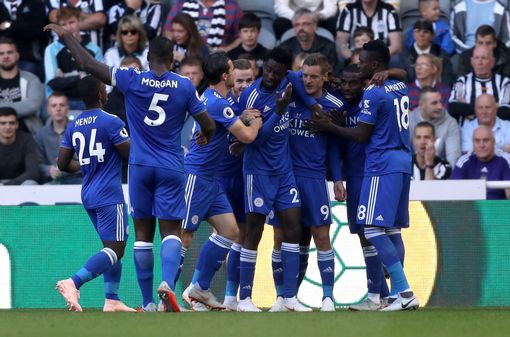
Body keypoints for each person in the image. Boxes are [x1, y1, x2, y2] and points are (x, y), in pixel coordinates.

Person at [43, 22, 216, 313]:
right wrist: (205, 133)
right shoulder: (185, 85)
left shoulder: (131, 78)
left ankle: (147, 302)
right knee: (172, 231)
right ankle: (167, 286)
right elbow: (208, 124)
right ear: (173, 58)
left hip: (139, 166)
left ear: (148, 58)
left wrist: (65, 35)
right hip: (171, 166)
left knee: (142, 236)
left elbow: (86, 62)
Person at [306, 40, 419, 311]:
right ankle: (391, 296)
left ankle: (403, 291)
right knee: (390, 229)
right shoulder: (398, 86)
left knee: (372, 229)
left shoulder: (373, 93)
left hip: (382, 163)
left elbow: (361, 135)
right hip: (403, 160)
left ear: (375, 65)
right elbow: (405, 74)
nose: (359, 64)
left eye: (363, 61)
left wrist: (329, 126)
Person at [177, 52, 262, 310]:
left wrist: (242, 115)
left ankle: (200, 288)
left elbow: (230, 119)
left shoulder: (216, 99)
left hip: (212, 179)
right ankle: (167, 290)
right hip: (196, 175)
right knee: (184, 235)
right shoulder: (217, 103)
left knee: (230, 231)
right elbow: (247, 136)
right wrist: (255, 122)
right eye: (233, 67)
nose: (236, 70)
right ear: (226, 76)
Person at [236, 48, 316, 312]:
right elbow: (255, 139)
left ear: (284, 73)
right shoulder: (251, 95)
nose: (271, 76)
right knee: (254, 232)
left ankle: (288, 298)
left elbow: (305, 85)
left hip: (284, 172)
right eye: (267, 70)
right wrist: (279, 112)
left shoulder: (290, 84)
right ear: (262, 67)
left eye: (276, 72)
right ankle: (245, 298)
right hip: (258, 172)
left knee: (293, 228)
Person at [269, 53, 344, 312]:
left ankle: (327, 298)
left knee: (321, 236)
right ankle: (283, 297)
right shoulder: (289, 94)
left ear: (326, 77)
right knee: (280, 237)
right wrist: (304, 93)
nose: (308, 80)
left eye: (314, 76)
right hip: (285, 176)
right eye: (305, 75)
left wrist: (336, 179)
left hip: (313, 178)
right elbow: (284, 72)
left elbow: (334, 144)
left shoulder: (333, 104)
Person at [55, 76, 134, 312]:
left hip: (88, 193)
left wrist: (87, 162)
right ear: (101, 94)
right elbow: (129, 155)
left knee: (109, 247)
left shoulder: (74, 124)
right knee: (116, 248)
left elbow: (62, 164)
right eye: (104, 88)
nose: (107, 91)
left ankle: (112, 299)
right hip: (109, 193)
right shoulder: (111, 121)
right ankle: (73, 282)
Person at [219, 58, 256, 310]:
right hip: (221, 178)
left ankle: (233, 297)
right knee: (223, 237)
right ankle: (194, 290)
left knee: (242, 238)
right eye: (240, 80)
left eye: (249, 80)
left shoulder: (258, 106)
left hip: (247, 178)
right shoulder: (224, 105)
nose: (243, 85)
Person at [44, 7, 103, 111]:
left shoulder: (94, 49)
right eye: (64, 24)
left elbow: (100, 80)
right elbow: (53, 83)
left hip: (89, 101)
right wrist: (82, 77)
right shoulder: (51, 49)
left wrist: (65, 78)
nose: (69, 28)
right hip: (62, 102)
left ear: (79, 22)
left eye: (72, 22)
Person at [449, 45, 510, 122]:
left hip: (497, 132)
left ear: (492, 62)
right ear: (472, 61)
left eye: (484, 58)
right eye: (476, 58)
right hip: (468, 132)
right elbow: (453, 108)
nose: (479, 62)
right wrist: (493, 107)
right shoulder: (461, 81)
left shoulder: (504, 82)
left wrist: (467, 108)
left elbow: (506, 112)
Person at [35, 92, 82, 184]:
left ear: (67, 108)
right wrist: (49, 170)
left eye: (62, 105)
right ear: (48, 110)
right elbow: (37, 163)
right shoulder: (41, 134)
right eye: (54, 106)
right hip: (52, 180)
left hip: (78, 178)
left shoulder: (79, 130)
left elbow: (87, 159)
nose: (58, 109)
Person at [452, 126, 510, 200]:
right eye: (477, 141)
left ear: (494, 142)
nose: (481, 145)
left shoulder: (506, 160)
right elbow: (453, 194)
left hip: (500, 209)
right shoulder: (464, 161)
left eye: (485, 140)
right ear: (473, 144)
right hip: (472, 209)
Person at [0, 37, 43, 134]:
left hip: (28, 132)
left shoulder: (32, 79)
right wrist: (21, 108)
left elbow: (32, 105)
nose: (6, 56)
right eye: (1, 53)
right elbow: (26, 106)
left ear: (17, 55)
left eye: (9, 52)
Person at [409, 86, 461, 168]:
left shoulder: (451, 123)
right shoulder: (408, 121)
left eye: (441, 102)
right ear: (421, 105)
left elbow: (453, 159)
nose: (440, 107)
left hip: (442, 176)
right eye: (434, 103)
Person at [336, 0, 402, 63]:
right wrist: (354, 57)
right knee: (340, 59)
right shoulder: (348, 10)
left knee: (395, 60)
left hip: (381, 57)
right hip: (353, 55)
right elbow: (340, 44)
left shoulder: (389, 10)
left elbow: (396, 46)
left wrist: (375, 58)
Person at [163, 0, 243, 51]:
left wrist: (227, 49)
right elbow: (168, 30)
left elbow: (241, 35)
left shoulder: (232, 5)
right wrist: (172, 51)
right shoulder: (182, 3)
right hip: (185, 59)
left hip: (217, 59)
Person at [279, 8, 340, 75]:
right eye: (297, 25)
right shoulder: (284, 48)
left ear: (315, 25)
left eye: (305, 24)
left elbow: (333, 75)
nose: (301, 28)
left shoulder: (328, 47)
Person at [0, 0, 48, 79]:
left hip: (30, 59)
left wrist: (9, 25)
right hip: (3, 61)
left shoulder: (35, 3)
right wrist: (24, 27)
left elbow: (39, 30)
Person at [398, 19, 454, 86]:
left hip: (438, 93)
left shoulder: (442, 54)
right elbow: (403, 82)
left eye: (426, 32)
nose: (421, 35)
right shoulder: (404, 55)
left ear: (432, 35)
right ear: (413, 34)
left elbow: (447, 79)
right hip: (412, 94)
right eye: (418, 31)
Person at [0, 106, 40, 185]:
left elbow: (33, 173)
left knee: (30, 183)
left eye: (11, 123)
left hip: (20, 184)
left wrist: (6, 185)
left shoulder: (27, 140)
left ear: (17, 125)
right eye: (3, 123)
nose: (8, 127)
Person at [273, 0, 338, 40]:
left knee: (334, 23)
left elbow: (331, 7)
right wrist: (299, 17)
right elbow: (280, 6)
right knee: (280, 24)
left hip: (317, 17)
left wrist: (319, 15)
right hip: (294, 16)